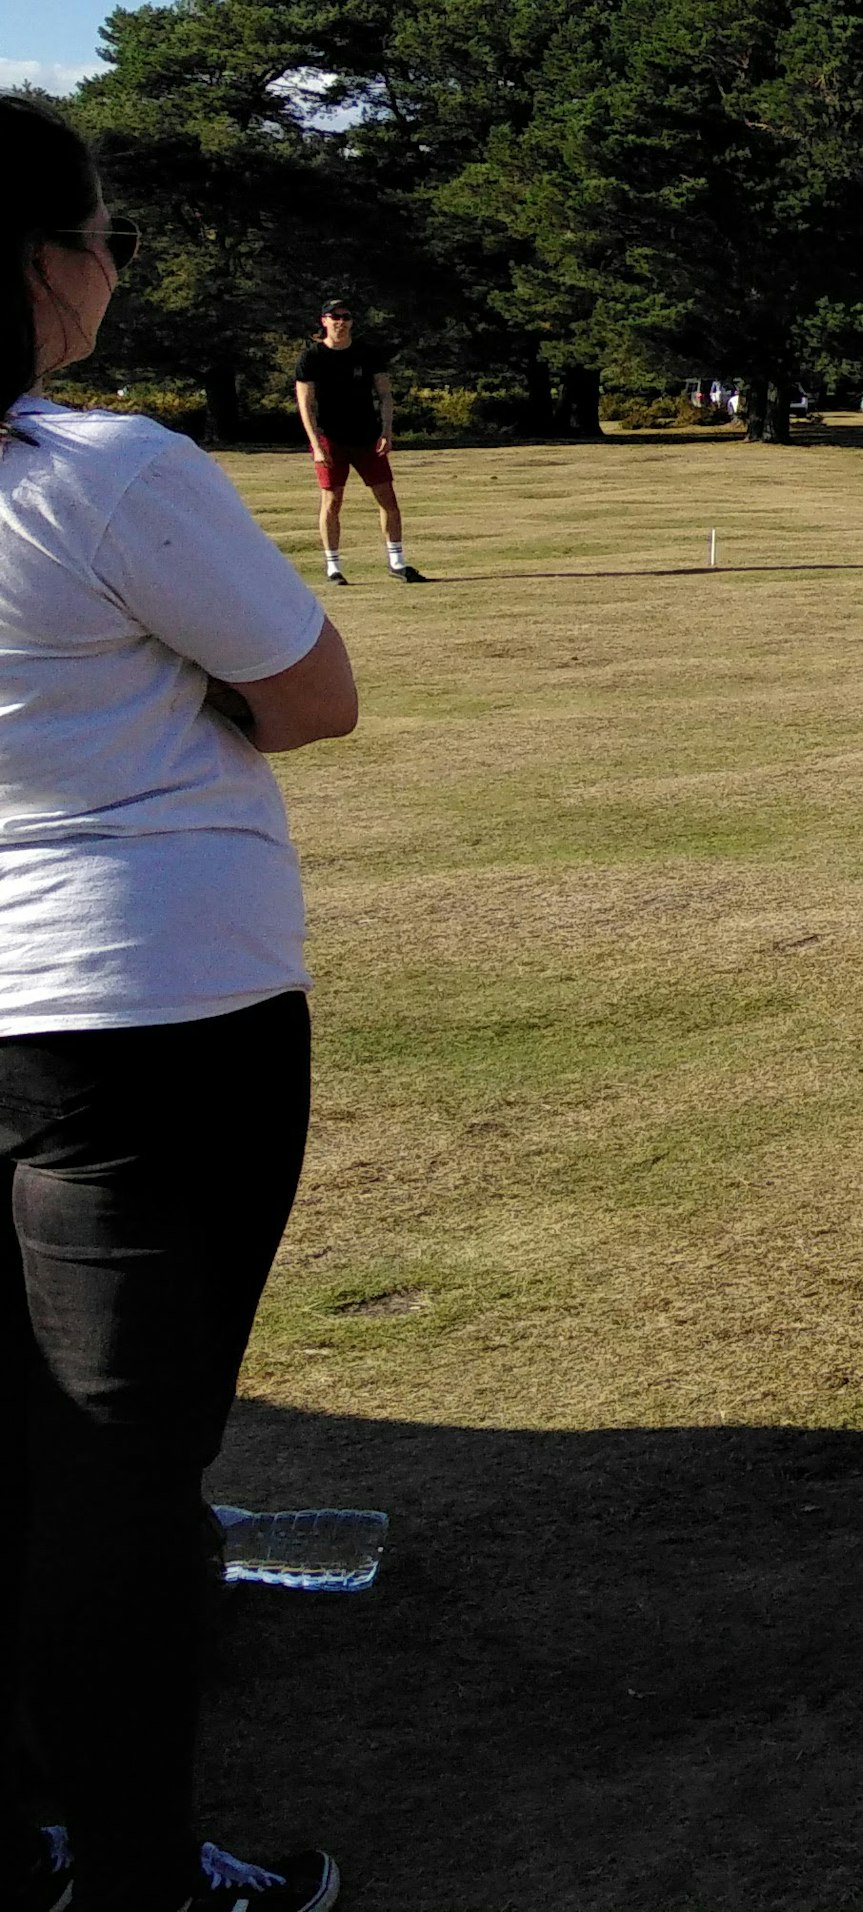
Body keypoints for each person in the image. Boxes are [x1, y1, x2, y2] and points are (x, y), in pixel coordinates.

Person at [0, 98, 360, 1912]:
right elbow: (309, 694)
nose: (114, 266)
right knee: (119, 1475)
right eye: (106, 232)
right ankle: (140, 1881)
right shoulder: (104, 471)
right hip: (140, 1019)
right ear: (42, 266)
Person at [290, 305, 417, 587]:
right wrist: (316, 445)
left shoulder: (367, 353)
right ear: (324, 321)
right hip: (329, 438)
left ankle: (397, 562)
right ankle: (333, 567)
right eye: (335, 317)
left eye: (346, 317)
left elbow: (384, 395)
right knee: (332, 501)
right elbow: (305, 405)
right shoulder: (311, 358)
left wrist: (386, 431)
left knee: (388, 499)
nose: (341, 322)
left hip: (367, 437)